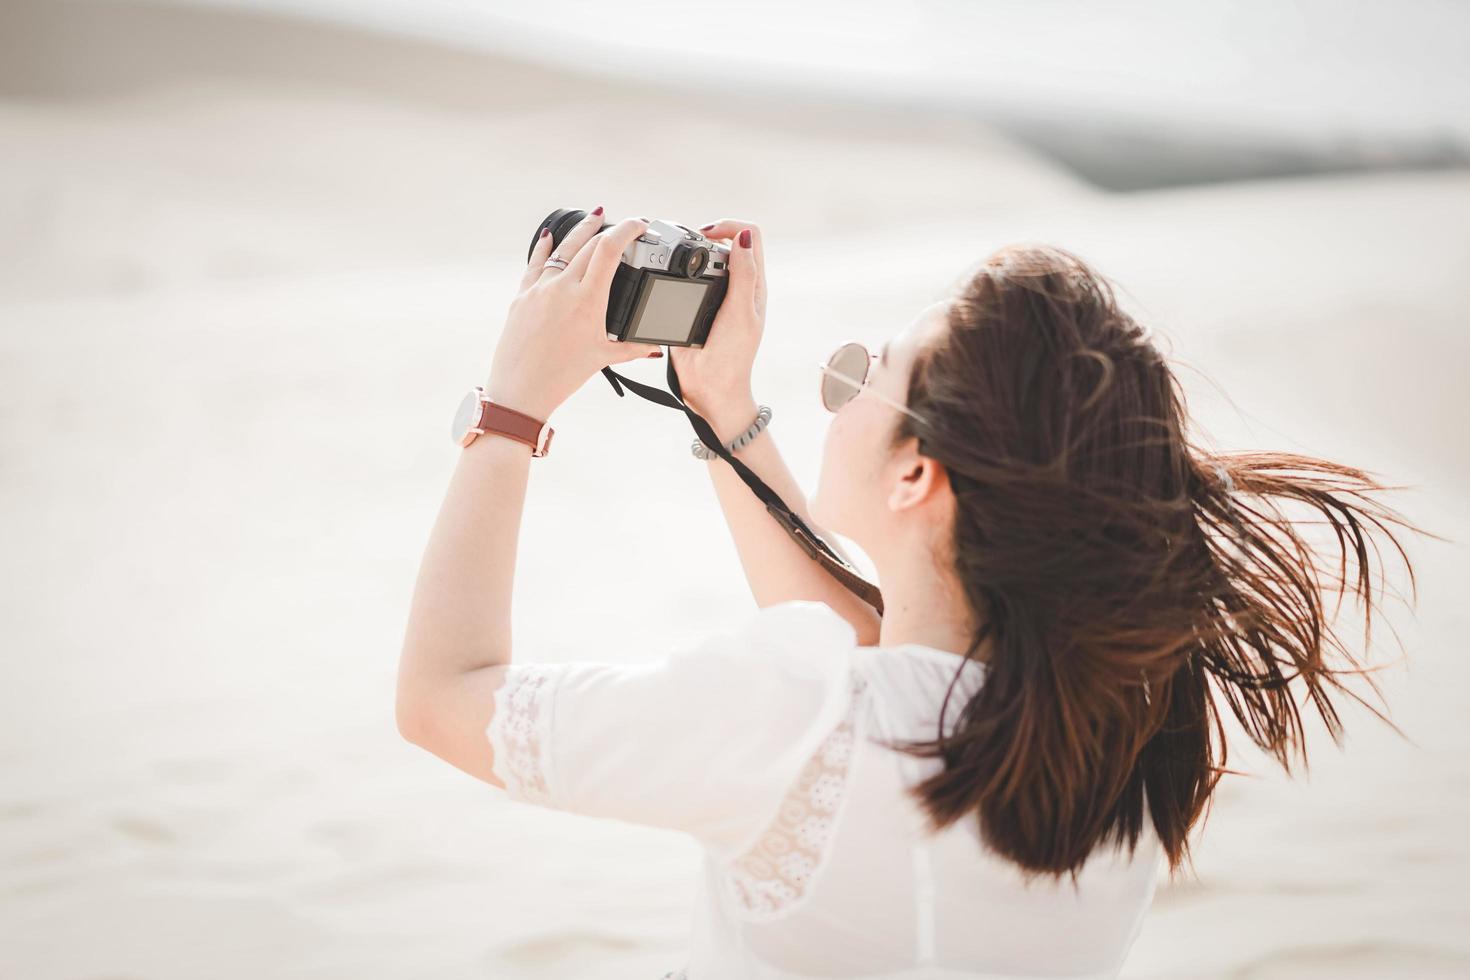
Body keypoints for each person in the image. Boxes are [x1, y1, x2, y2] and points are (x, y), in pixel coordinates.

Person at [395, 212, 1426, 979]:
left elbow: (441, 694)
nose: (833, 397)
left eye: (860, 375)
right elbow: (895, 666)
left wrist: (513, 405)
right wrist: (722, 406)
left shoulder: (790, 720)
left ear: (915, 476)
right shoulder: (1122, 746)